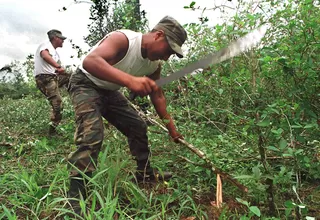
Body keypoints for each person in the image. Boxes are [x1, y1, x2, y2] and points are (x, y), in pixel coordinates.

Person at [67, 16, 187, 214]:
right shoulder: (123, 39)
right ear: (158, 35)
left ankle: (145, 174)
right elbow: (90, 61)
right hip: (85, 83)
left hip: (109, 91)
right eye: (168, 50)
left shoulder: (154, 65)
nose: (166, 57)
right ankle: (75, 197)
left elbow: (157, 94)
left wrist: (172, 128)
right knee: (91, 134)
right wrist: (129, 80)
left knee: (138, 126)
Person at [34, 29, 70, 135]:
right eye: (61, 39)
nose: (63, 41)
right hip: (45, 78)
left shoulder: (55, 53)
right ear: (55, 38)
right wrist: (58, 66)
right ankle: (52, 131)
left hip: (53, 77)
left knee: (72, 77)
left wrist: (60, 71)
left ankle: (79, 98)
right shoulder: (46, 45)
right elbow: (44, 55)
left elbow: (55, 70)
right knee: (57, 103)